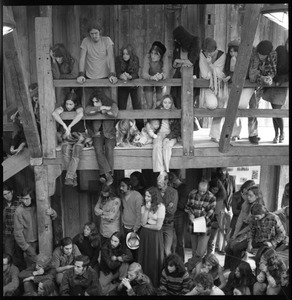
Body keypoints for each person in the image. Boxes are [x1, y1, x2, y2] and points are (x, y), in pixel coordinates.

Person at [52, 90, 88, 187]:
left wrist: (70, 126)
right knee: (65, 150)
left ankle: (69, 177)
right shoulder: (63, 108)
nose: (68, 106)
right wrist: (64, 125)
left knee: (76, 150)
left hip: (80, 135)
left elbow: (80, 114)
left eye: (71, 104)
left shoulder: (78, 108)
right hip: (69, 136)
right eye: (67, 104)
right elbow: (54, 114)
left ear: (75, 104)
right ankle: (72, 177)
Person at [14, 187, 57, 268]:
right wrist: (26, 247)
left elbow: (54, 216)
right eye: (23, 199)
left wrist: (52, 212)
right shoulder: (19, 211)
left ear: (32, 197)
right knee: (32, 266)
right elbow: (17, 232)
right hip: (29, 243)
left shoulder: (39, 206)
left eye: (27, 199)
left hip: (42, 239)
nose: (24, 201)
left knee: (47, 263)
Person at [85, 89, 118, 185]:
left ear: (102, 100)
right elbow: (87, 111)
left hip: (110, 133)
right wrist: (100, 108)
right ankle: (108, 174)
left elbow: (115, 113)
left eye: (97, 101)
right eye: (93, 102)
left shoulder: (112, 104)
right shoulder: (93, 106)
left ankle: (104, 174)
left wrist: (106, 111)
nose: (94, 104)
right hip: (97, 134)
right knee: (98, 149)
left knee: (109, 148)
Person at [198, 37, 228, 143]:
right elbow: (205, 75)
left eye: (210, 52)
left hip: (221, 88)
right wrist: (213, 71)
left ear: (215, 49)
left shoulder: (222, 56)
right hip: (208, 86)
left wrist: (210, 65)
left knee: (220, 108)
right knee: (212, 105)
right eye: (206, 52)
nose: (208, 55)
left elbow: (221, 74)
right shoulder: (202, 55)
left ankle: (214, 135)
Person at [247, 40, 277, 144]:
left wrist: (269, 77)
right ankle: (252, 134)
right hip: (250, 84)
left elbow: (273, 70)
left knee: (255, 107)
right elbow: (252, 75)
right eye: (260, 54)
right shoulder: (254, 55)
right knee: (253, 107)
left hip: (260, 85)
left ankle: (254, 133)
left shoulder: (272, 55)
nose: (261, 56)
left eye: (264, 55)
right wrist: (263, 78)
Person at [138, 186, 166, 288]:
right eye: (145, 196)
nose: (146, 198)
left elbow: (158, 226)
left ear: (154, 197)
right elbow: (143, 222)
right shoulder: (144, 207)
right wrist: (147, 209)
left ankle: (154, 283)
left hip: (155, 236)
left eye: (149, 196)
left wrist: (146, 226)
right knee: (144, 257)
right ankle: (144, 283)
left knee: (154, 258)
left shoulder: (161, 207)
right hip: (145, 235)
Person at [185, 179, 216, 269]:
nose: (202, 193)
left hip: (205, 226)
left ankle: (189, 265)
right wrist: (190, 214)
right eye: (200, 191)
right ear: (197, 188)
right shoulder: (192, 194)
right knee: (194, 252)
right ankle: (195, 272)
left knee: (200, 253)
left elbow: (210, 213)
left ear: (207, 189)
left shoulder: (212, 197)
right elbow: (187, 207)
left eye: (204, 191)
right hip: (193, 226)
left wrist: (199, 220)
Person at [76, 21, 118, 87]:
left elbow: (111, 58)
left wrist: (112, 74)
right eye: (91, 34)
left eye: (96, 33)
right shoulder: (85, 41)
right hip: (89, 76)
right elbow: (82, 59)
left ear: (100, 32)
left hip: (105, 76)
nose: (94, 36)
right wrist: (81, 74)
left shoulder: (107, 40)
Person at [263, 38, 288, 143]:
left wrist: (281, 79)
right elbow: (271, 67)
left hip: (281, 86)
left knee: (277, 111)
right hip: (273, 85)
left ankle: (281, 132)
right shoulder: (278, 52)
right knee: (274, 111)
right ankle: (277, 133)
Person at [170, 25, 200, 109]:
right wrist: (177, 62)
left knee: (189, 102)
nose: (175, 40)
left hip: (192, 76)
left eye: (177, 38)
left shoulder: (195, 42)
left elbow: (191, 62)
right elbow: (174, 64)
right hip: (178, 76)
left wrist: (179, 61)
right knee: (177, 102)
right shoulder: (177, 46)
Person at [115, 44, 143, 131]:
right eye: (123, 54)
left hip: (134, 84)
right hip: (122, 85)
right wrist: (121, 76)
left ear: (131, 54)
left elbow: (136, 73)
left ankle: (140, 129)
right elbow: (118, 72)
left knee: (137, 107)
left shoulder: (135, 59)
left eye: (127, 54)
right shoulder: (118, 60)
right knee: (121, 106)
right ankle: (120, 129)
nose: (125, 56)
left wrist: (130, 77)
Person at [152, 94, 181, 173]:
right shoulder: (158, 110)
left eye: (169, 102)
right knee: (157, 145)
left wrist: (169, 137)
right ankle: (159, 170)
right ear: (162, 103)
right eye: (165, 102)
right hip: (159, 133)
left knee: (167, 146)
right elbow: (151, 122)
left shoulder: (175, 112)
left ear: (172, 103)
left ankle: (166, 169)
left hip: (171, 134)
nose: (167, 104)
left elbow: (177, 129)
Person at [119, 177, 143, 260]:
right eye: (120, 186)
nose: (120, 188)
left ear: (129, 186)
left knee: (136, 252)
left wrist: (135, 229)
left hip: (134, 229)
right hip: (125, 227)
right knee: (127, 252)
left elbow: (139, 214)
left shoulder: (137, 196)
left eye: (123, 186)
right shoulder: (122, 196)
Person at [169, 169, 190, 262]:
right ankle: (172, 260)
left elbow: (182, 204)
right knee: (171, 240)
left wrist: (172, 205)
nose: (170, 178)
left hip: (180, 215)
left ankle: (180, 261)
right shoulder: (171, 187)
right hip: (171, 214)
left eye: (172, 176)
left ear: (177, 176)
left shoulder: (183, 187)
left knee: (179, 241)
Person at [142, 41, 169, 109]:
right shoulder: (147, 57)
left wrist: (161, 76)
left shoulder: (164, 58)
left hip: (160, 80)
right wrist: (151, 77)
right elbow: (144, 73)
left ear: (160, 55)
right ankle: (149, 119)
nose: (152, 56)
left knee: (159, 103)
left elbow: (166, 72)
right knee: (149, 104)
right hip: (149, 80)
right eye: (152, 53)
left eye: (156, 54)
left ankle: (158, 119)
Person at [156, 171, 178, 256]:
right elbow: (153, 209)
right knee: (158, 250)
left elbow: (172, 211)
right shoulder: (155, 191)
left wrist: (160, 208)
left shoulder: (174, 192)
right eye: (157, 181)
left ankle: (169, 268)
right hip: (157, 224)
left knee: (167, 251)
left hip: (168, 224)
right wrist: (167, 206)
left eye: (160, 181)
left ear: (166, 181)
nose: (158, 183)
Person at [215, 167, 236, 253]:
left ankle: (227, 246)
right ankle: (220, 248)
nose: (222, 172)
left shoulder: (231, 179)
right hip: (220, 204)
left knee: (229, 227)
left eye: (223, 170)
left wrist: (231, 204)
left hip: (229, 205)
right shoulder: (216, 180)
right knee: (220, 227)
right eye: (220, 171)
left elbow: (233, 191)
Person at [3, 185, 24, 270]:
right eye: (4, 194)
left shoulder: (19, 200)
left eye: (8, 193)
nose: (7, 196)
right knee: (9, 254)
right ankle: (12, 273)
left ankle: (22, 271)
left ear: (12, 191)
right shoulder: (3, 204)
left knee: (20, 253)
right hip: (7, 233)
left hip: (19, 232)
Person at [206, 177, 227, 255]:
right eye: (213, 189)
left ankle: (209, 257)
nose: (215, 191)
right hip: (207, 219)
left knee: (211, 240)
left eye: (216, 190)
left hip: (214, 220)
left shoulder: (220, 197)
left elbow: (216, 211)